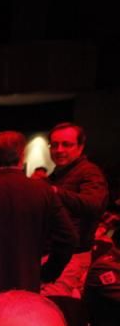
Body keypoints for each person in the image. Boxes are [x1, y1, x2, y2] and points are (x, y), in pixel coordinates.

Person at [0, 130, 77, 299]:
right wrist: (47, 273)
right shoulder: (43, 190)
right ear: (22, 156)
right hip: (26, 283)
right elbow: (68, 238)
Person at [41, 122, 109, 297]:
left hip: (73, 255)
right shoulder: (57, 175)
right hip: (56, 254)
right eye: (54, 144)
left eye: (66, 144)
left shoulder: (89, 172)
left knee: (54, 304)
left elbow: (94, 205)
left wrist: (56, 193)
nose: (59, 149)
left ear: (80, 147)